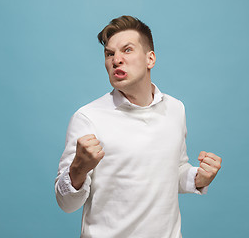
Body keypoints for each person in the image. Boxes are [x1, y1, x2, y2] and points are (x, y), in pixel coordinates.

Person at [55, 15, 222, 238]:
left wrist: (198, 178)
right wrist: (78, 169)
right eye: (109, 54)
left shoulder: (175, 109)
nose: (116, 60)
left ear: (150, 59)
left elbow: (174, 169)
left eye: (127, 50)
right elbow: (66, 204)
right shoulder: (88, 117)